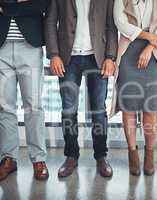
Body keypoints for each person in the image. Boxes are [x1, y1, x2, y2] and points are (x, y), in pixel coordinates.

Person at [44, 0, 118, 178]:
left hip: (97, 56)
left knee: (98, 110)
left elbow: (111, 25)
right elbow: (50, 21)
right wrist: (53, 54)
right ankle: (71, 156)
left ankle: (101, 156)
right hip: (68, 58)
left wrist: (110, 56)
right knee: (68, 110)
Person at [0, 0, 49, 182]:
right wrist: (19, 3)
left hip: (30, 44)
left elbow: (42, 5)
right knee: (5, 107)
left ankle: (38, 160)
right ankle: (8, 159)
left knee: (34, 105)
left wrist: (5, 7)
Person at [111, 0, 157, 176]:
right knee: (128, 108)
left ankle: (150, 155)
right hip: (128, 54)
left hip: (153, 54)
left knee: (150, 109)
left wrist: (150, 46)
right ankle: (133, 154)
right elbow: (120, 23)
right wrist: (148, 36)